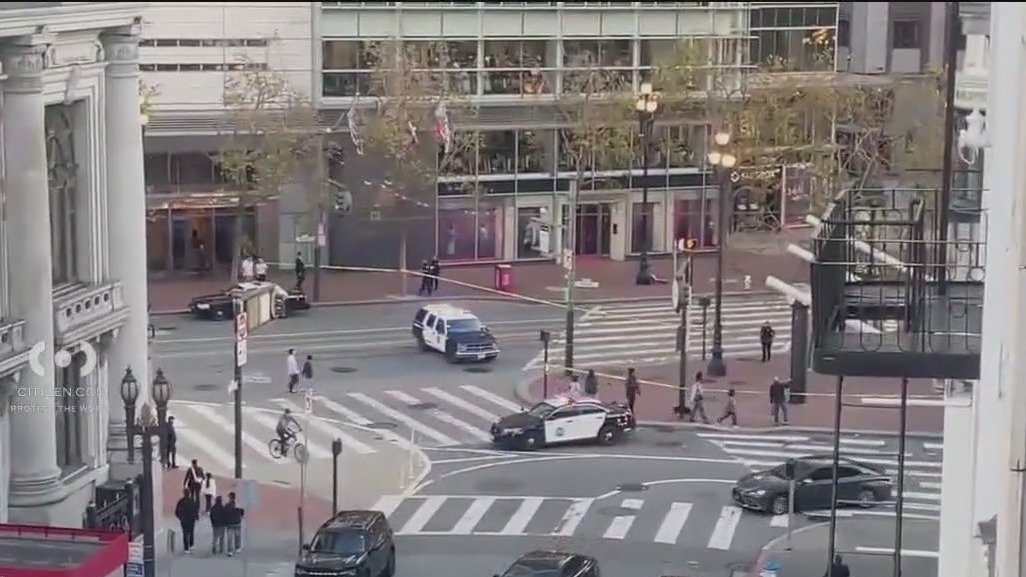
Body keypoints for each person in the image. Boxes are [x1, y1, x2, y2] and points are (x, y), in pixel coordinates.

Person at [174, 488, 199, 554]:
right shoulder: (192, 501)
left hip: (184, 520)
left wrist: (180, 517)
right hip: (191, 519)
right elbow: (196, 510)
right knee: (191, 531)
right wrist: (196, 517)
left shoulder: (180, 502)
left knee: (185, 533)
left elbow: (176, 511)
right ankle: (191, 544)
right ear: (189, 494)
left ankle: (186, 548)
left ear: (184, 494)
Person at [224, 491, 245, 556]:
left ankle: (230, 551)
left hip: (229, 523)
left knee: (230, 538)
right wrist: (240, 517)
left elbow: (225, 514)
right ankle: (237, 547)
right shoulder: (238, 505)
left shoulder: (227, 505)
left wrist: (225, 522)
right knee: (237, 536)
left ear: (230, 497)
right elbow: (242, 513)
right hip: (237, 523)